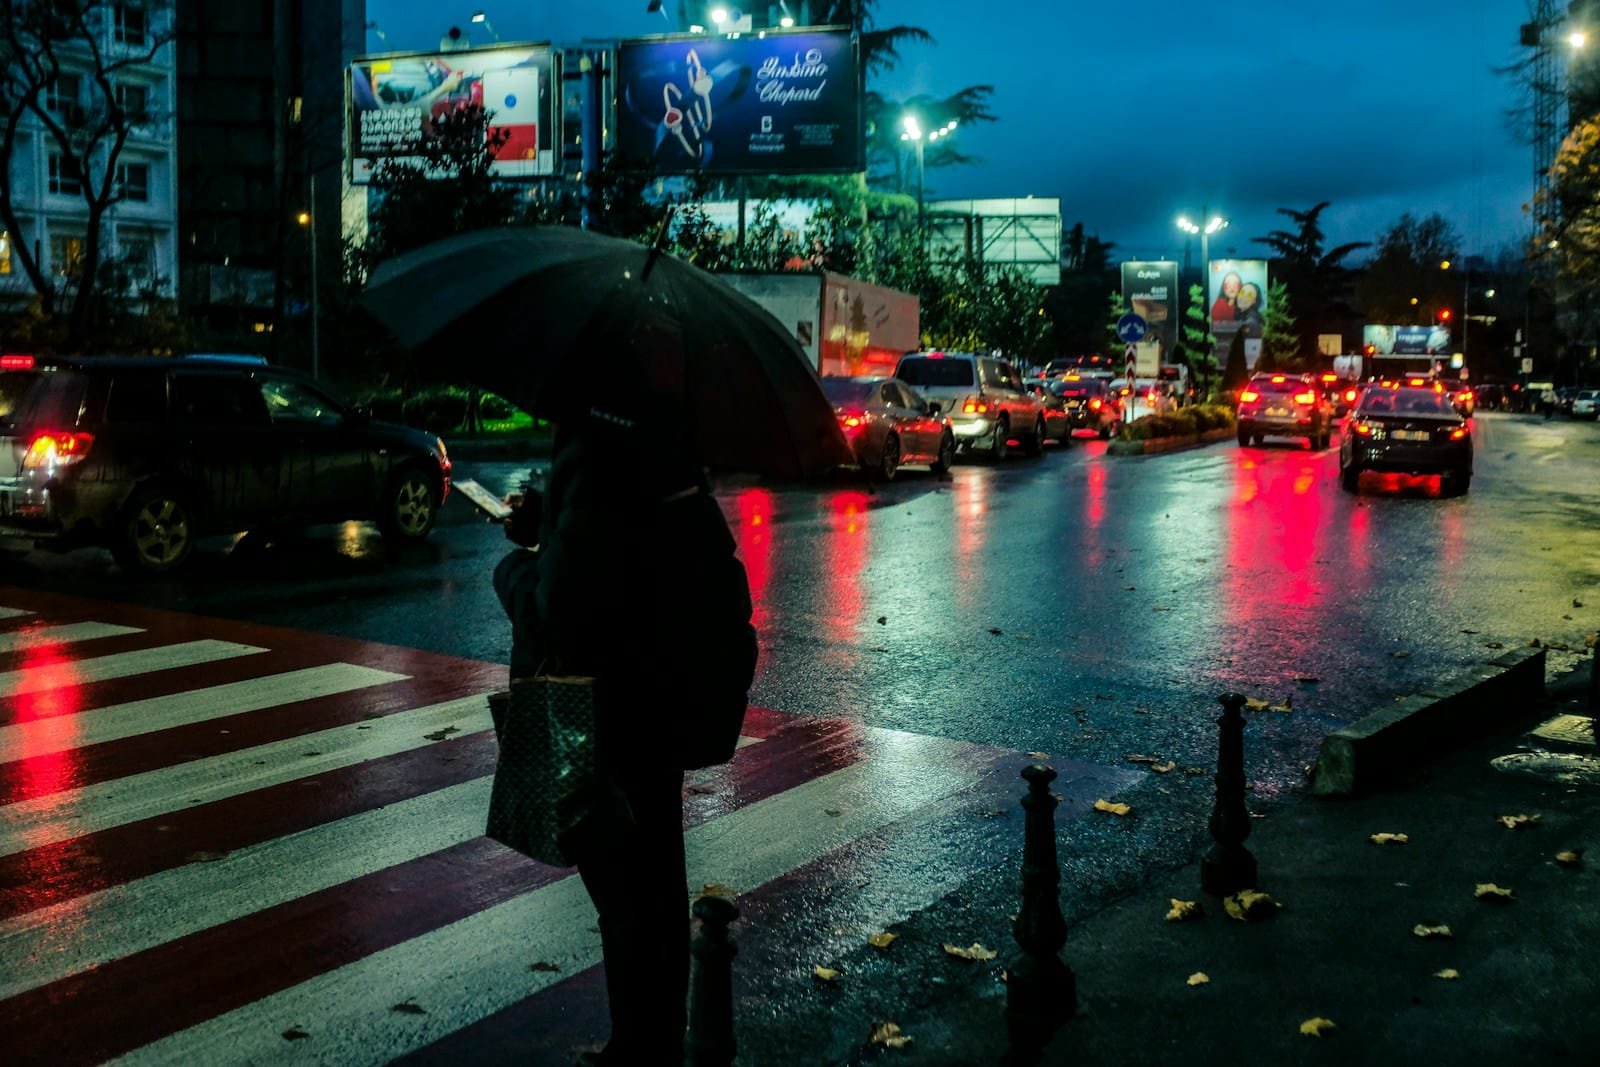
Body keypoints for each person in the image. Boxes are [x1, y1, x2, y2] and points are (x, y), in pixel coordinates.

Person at [493, 401, 757, 1066]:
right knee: (655, 878)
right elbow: (636, 533)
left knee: (622, 887)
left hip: (608, 711)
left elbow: (564, 609)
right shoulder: (658, 429)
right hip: (662, 696)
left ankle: (639, 1046)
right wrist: (548, 514)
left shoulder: (590, 441)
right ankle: (656, 1038)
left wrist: (516, 571)